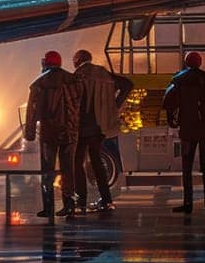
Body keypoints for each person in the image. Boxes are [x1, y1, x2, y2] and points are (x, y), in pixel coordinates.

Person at [71, 49, 133, 212]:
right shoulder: (103, 73)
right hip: (99, 127)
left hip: (82, 126)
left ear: (77, 60)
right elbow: (127, 84)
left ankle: (81, 201)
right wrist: (114, 105)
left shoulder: (77, 76)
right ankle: (106, 199)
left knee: (77, 162)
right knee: (97, 161)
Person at [163, 51, 205, 217]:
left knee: (187, 167)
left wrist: (172, 121)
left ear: (186, 62)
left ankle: (187, 203)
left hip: (188, 129)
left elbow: (168, 102)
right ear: (200, 62)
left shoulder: (178, 80)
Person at [26, 51, 82, 219]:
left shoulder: (39, 83)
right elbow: (79, 104)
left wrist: (29, 131)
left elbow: (32, 110)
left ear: (46, 63)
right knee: (68, 169)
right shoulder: (74, 81)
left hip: (49, 132)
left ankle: (48, 207)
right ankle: (69, 204)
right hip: (70, 131)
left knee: (47, 170)